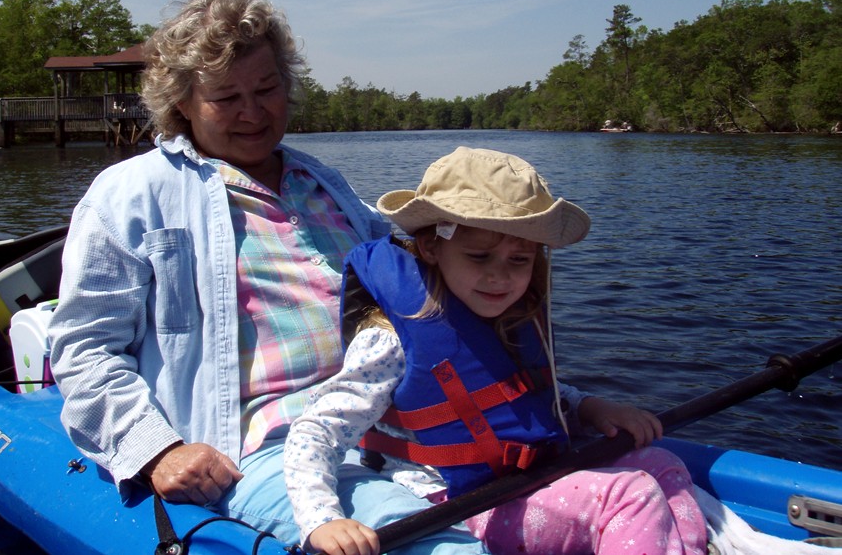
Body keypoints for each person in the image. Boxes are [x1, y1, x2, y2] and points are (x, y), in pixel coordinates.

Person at [48, 0, 488, 554]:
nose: (252, 112)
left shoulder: (326, 184)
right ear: (182, 102)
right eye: (226, 98)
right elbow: (83, 350)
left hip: (384, 422)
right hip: (268, 447)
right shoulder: (131, 194)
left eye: (267, 88)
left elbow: (415, 291)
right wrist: (157, 450)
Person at [284, 146, 708, 555]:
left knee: (663, 463)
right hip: (456, 502)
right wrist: (322, 519)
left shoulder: (504, 316)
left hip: (525, 477)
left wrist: (589, 408)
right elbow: (316, 430)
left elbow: (516, 396)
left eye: (519, 261)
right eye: (480, 256)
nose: (499, 277)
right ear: (432, 247)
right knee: (630, 494)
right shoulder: (390, 338)